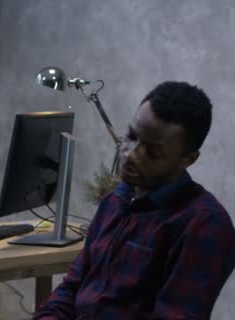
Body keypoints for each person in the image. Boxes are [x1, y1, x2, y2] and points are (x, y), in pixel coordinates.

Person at [33, 81, 235, 319]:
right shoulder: (115, 201)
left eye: (153, 152)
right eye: (131, 136)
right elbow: (72, 287)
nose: (130, 154)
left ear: (188, 159)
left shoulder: (204, 226)